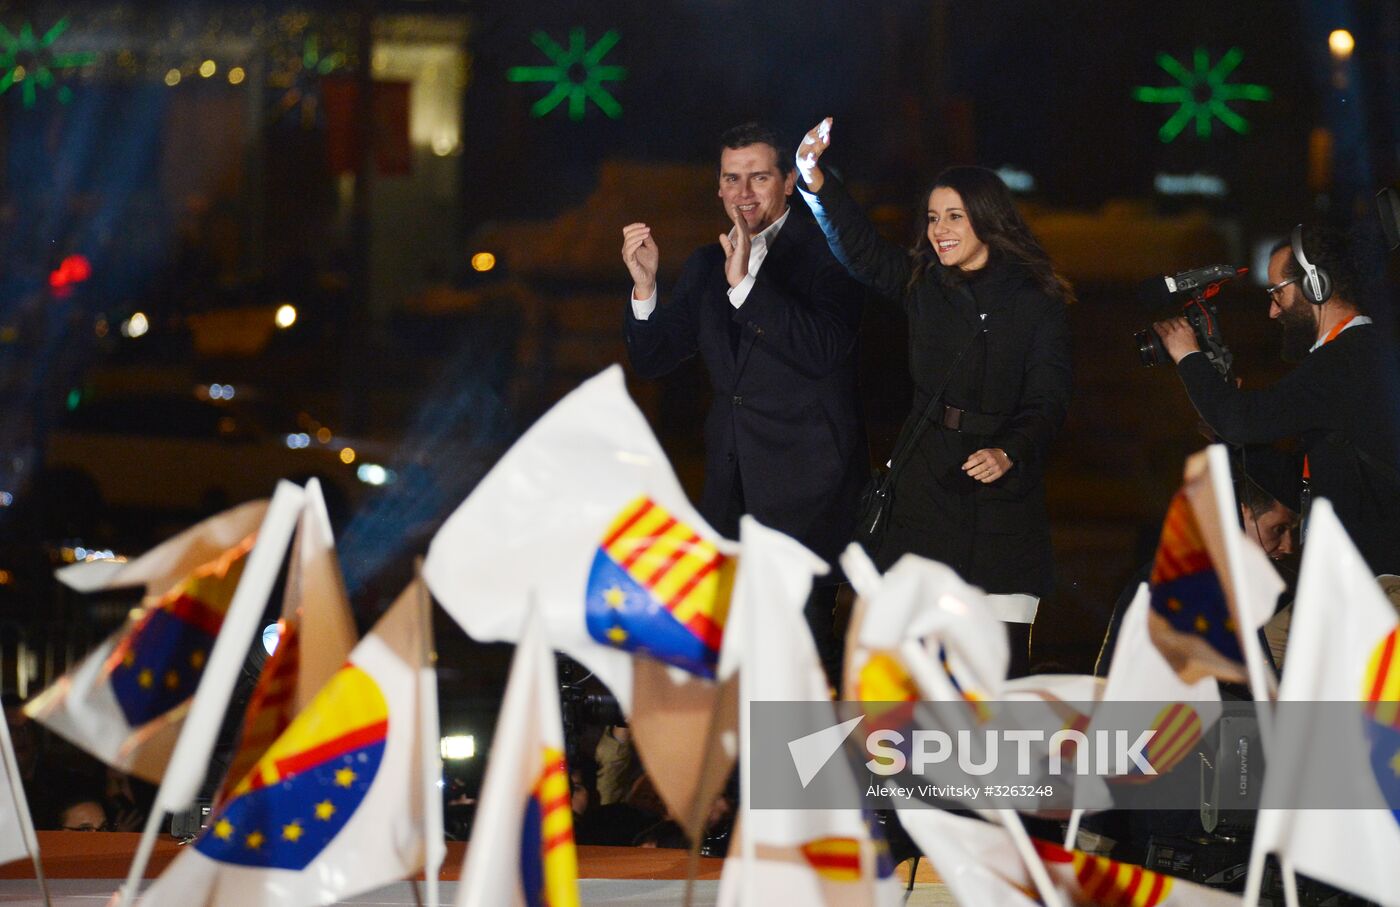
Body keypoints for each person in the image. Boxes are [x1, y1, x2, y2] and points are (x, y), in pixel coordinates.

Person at [793, 117, 1073, 646]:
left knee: (997, 670)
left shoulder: (1037, 301)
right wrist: (814, 177)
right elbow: (861, 249)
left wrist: (1009, 451)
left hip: (1002, 496)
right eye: (932, 218)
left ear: (987, 220)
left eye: (954, 217)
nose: (938, 229)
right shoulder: (923, 283)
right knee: (909, 666)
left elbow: (1049, 397)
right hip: (925, 483)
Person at [620, 122, 867, 674]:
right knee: (734, 668)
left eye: (759, 177)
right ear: (719, 188)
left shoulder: (831, 253)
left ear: (787, 183)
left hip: (809, 500)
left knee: (798, 668)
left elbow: (824, 349)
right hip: (729, 497)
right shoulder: (708, 264)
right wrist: (645, 287)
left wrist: (748, 288)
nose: (744, 192)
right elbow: (655, 358)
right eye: (732, 179)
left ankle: (805, 736)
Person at [1152, 224, 1400, 576]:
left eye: (1277, 293)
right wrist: (1229, 436)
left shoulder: (1347, 359)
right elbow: (1298, 484)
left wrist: (1188, 355)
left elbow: (1242, 421)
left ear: (1316, 286)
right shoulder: (1352, 357)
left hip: (1378, 584)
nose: (1272, 311)